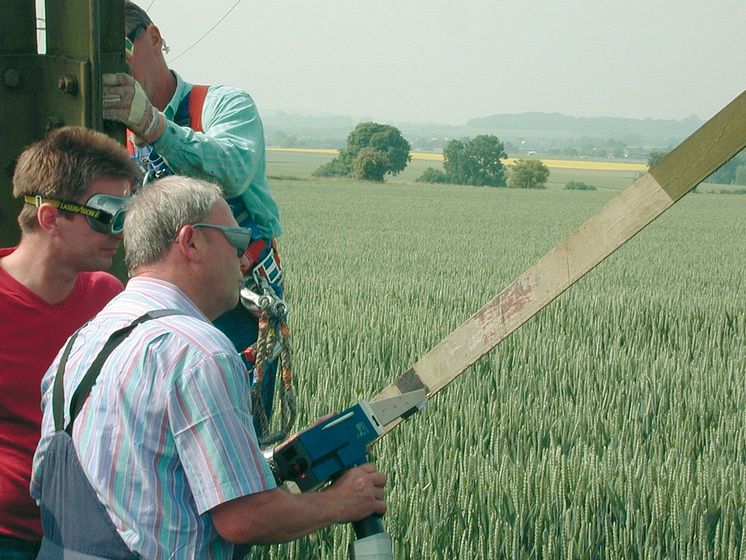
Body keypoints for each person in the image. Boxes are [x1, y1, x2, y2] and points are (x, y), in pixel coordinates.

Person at [30, 176, 386, 559]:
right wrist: (343, 501)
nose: (245, 259)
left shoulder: (83, 340)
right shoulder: (201, 352)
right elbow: (244, 518)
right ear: (191, 242)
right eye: (236, 241)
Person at [102, 1, 285, 435]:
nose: (124, 68)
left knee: (235, 432)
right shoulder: (111, 133)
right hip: (155, 302)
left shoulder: (220, 105)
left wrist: (152, 125)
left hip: (235, 297)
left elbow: (234, 171)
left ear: (154, 36)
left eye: (127, 49)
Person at [0, 126, 139, 559]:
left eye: (127, 215)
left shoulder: (109, 296)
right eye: (107, 214)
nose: (119, 232)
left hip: (87, 536)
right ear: (50, 218)